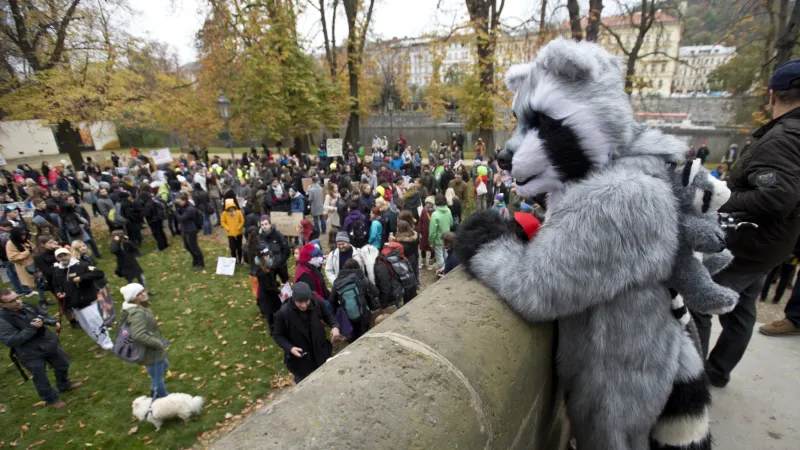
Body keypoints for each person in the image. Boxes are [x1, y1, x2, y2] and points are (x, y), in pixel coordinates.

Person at [692, 59, 800, 387]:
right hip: (771, 245)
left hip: (747, 244)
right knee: (742, 308)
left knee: (698, 301)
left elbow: (775, 198)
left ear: (771, 95)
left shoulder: (783, 137)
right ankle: (719, 372)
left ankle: (691, 381)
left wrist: (720, 198)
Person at [0, 289, 81, 408]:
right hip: (30, 352)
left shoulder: (27, 305)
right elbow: (12, 340)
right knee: (41, 378)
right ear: (2, 305)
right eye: (12, 301)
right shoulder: (2, 320)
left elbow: (41, 315)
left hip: (48, 343)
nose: (17, 302)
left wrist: (51, 321)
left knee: (63, 364)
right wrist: (32, 328)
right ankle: (51, 399)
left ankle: (64, 384)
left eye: (17, 297)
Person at [272, 281, 341, 383]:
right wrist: (290, 348)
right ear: (294, 299)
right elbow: (278, 335)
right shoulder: (283, 314)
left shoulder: (316, 303)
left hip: (321, 352)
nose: (304, 305)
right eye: (300, 302)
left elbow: (328, 315)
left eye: (306, 301)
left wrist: (335, 326)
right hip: (301, 360)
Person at [51, 247, 112, 351]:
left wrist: (82, 278)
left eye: (64, 255)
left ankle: (108, 346)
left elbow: (99, 273)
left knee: (97, 325)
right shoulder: (58, 271)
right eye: (60, 256)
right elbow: (57, 285)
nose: (63, 258)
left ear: (69, 255)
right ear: (57, 258)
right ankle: (100, 343)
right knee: (87, 327)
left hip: (88, 302)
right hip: (75, 305)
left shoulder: (81, 265)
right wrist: (59, 293)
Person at [119, 283, 170, 398]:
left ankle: (154, 390)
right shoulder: (137, 314)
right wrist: (157, 343)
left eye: (143, 291)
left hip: (152, 347)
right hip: (149, 350)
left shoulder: (137, 307)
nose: (143, 294)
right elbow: (138, 335)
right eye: (139, 294)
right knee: (158, 378)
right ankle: (163, 398)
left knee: (164, 365)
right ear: (133, 298)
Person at [330, 259, 378, 342]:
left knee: (352, 336)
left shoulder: (337, 282)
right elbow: (376, 292)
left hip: (347, 316)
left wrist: (336, 315)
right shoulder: (361, 278)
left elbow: (332, 301)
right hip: (363, 313)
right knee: (365, 335)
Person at [0, 222, 35, 298]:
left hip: (31, 264)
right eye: (22, 235)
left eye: (24, 234)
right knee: (16, 277)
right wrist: (27, 252)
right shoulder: (10, 244)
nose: (24, 236)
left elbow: (32, 247)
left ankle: (30, 291)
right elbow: (12, 257)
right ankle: (24, 291)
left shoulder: (25, 241)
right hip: (22, 265)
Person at [174, 194, 205, 271]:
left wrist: (175, 212)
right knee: (187, 246)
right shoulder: (182, 206)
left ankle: (201, 263)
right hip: (184, 229)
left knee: (194, 247)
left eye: (179, 202)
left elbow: (181, 218)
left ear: (184, 200)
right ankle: (195, 259)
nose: (178, 203)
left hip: (191, 230)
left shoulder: (190, 209)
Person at [257, 216, 291, 284]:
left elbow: (286, 250)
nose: (264, 226)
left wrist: (281, 261)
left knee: (286, 283)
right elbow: (258, 250)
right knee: (271, 284)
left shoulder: (278, 235)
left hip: (281, 265)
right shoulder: (260, 237)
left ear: (270, 224)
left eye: (266, 224)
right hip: (269, 267)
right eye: (262, 225)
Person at [428, 194, 453, 271]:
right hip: (447, 237)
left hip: (438, 239)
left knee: (439, 258)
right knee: (446, 255)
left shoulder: (435, 214)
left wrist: (431, 241)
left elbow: (432, 231)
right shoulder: (449, 210)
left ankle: (442, 272)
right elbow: (451, 223)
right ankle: (448, 270)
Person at [221, 199, 245, 264]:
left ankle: (240, 260)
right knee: (232, 249)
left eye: (232, 208)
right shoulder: (224, 214)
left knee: (239, 248)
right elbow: (223, 222)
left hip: (239, 233)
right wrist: (227, 228)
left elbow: (242, 220)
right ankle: (233, 261)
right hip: (230, 234)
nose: (231, 210)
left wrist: (239, 227)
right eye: (229, 209)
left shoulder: (238, 212)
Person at [323, 183, 342, 247]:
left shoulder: (338, 194)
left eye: (337, 187)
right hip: (332, 215)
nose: (337, 188)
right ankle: (333, 243)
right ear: (332, 188)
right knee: (334, 230)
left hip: (339, 214)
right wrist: (333, 208)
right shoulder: (328, 196)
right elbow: (325, 206)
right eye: (336, 187)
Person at [418, 196, 434, 270]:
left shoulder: (434, 211)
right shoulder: (423, 210)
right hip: (424, 233)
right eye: (426, 202)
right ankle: (423, 262)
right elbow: (420, 221)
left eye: (429, 203)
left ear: (432, 204)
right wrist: (420, 231)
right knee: (423, 248)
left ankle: (430, 263)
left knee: (432, 248)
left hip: (432, 233)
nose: (427, 204)